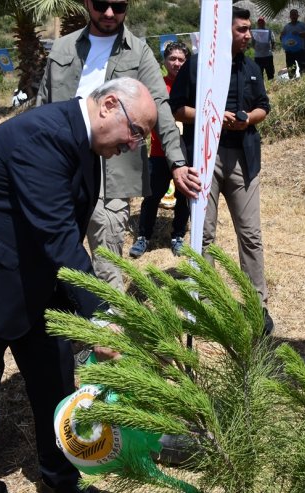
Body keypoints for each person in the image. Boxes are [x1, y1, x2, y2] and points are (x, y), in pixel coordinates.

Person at [0, 77, 158, 493]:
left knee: (56, 385)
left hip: (34, 281)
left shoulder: (81, 139)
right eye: (135, 131)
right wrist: (103, 317)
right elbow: (58, 234)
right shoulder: (43, 134)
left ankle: (62, 480)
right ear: (109, 106)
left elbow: (58, 233)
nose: (134, 144)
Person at [37, 0, 199, 291]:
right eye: (101, 4)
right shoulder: (62, 49)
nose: (109, 13)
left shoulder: (139, 52)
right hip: (60, 163)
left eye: (119, 5)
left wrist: (177, 162)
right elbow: (42, 105)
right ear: (88, 3)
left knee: (108, 250)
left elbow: (161, 106)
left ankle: (108, 319)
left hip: (113, 167)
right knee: (53, 244)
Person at [170, 6, 275, 335]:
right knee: (204, 235)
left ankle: (256, 306)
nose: (248, 35)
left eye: (248, 30)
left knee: (251, 235)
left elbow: (264, 106)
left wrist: (247, 119)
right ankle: (203, 304)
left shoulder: (252, 66)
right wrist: (212, 115)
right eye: (242, 29)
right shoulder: (197, 66)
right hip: (205, 159)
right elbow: (177, 108)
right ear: (223, 30)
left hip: (244, 158)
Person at [130, 41, 192, 258]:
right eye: (172, 59)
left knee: (184, 196)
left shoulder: (192, 86)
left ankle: (177, 236)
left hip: (185, 154)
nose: (176, 63)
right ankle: (143, 237)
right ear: (164, 61)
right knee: (152, 196)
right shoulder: (156, 86)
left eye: (181, 59)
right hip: (158, 152)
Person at [280, 9, 305, 78]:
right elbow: (281, 38)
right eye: (292, 15)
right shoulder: (286, 27)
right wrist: (282, 35)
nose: (294, 16)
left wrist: (298, 34)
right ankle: (293, 83)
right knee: (291, 70)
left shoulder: (302, 25)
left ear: (297, 16)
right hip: (289, 52)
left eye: (295, 14)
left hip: (300, 50)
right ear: (290, 16)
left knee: (303, 68)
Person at [252, 16, 276, 80]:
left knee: (270, 74)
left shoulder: (269, 31)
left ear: (264, 23)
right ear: (257, 23)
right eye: (259, 22)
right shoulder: (255, 32)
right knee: (259, 74)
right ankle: (261, 89)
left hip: (268, 55)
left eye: (262, 22)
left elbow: (273, 41)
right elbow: (252, 42)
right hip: (258, 56)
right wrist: (256, 48)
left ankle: (272, 88)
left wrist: (272, 48)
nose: (260, 23)